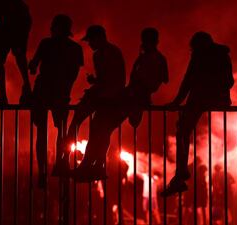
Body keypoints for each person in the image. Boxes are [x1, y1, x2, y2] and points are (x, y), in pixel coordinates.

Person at [71, 27, 168, 182]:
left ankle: (90, 165)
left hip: (129, 99)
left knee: (99, 127)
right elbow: (161, 79)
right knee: (102, 129)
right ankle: (95, 165)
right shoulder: (150, 58)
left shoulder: (150, 59)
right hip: (128, 98)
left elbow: (146, 82)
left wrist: (138, 94)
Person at [162, 31, 234, 196]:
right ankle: (180, 174)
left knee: (182, 129)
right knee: (183, 128)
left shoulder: (199, 55)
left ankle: (180, 173)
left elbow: (188, 81)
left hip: (200, 99)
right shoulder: (223, 55)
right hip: (218, 100)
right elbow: (229, 81)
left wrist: (177, 102)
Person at [53, 25, 126, 177]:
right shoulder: (114, 51)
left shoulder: (100, 54)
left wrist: (94, 87)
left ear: (98, 38)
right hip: (114, 97)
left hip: (105, 97)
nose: (90, 44)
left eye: (91, 40)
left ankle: (69, 160)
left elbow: (106, 80)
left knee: (78, 123)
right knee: (101, 131)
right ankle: (96, 165)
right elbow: (114, 78)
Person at [28, 14, 83, 188]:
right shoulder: (75, 48)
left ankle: (42, 170)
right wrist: (65, 89)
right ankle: (61, 163)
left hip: (43, 91)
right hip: (61, 93)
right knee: (62, 131)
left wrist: (31, 66)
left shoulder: (46, 44)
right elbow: (74, 74)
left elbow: (34, 66)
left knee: (41, 133)